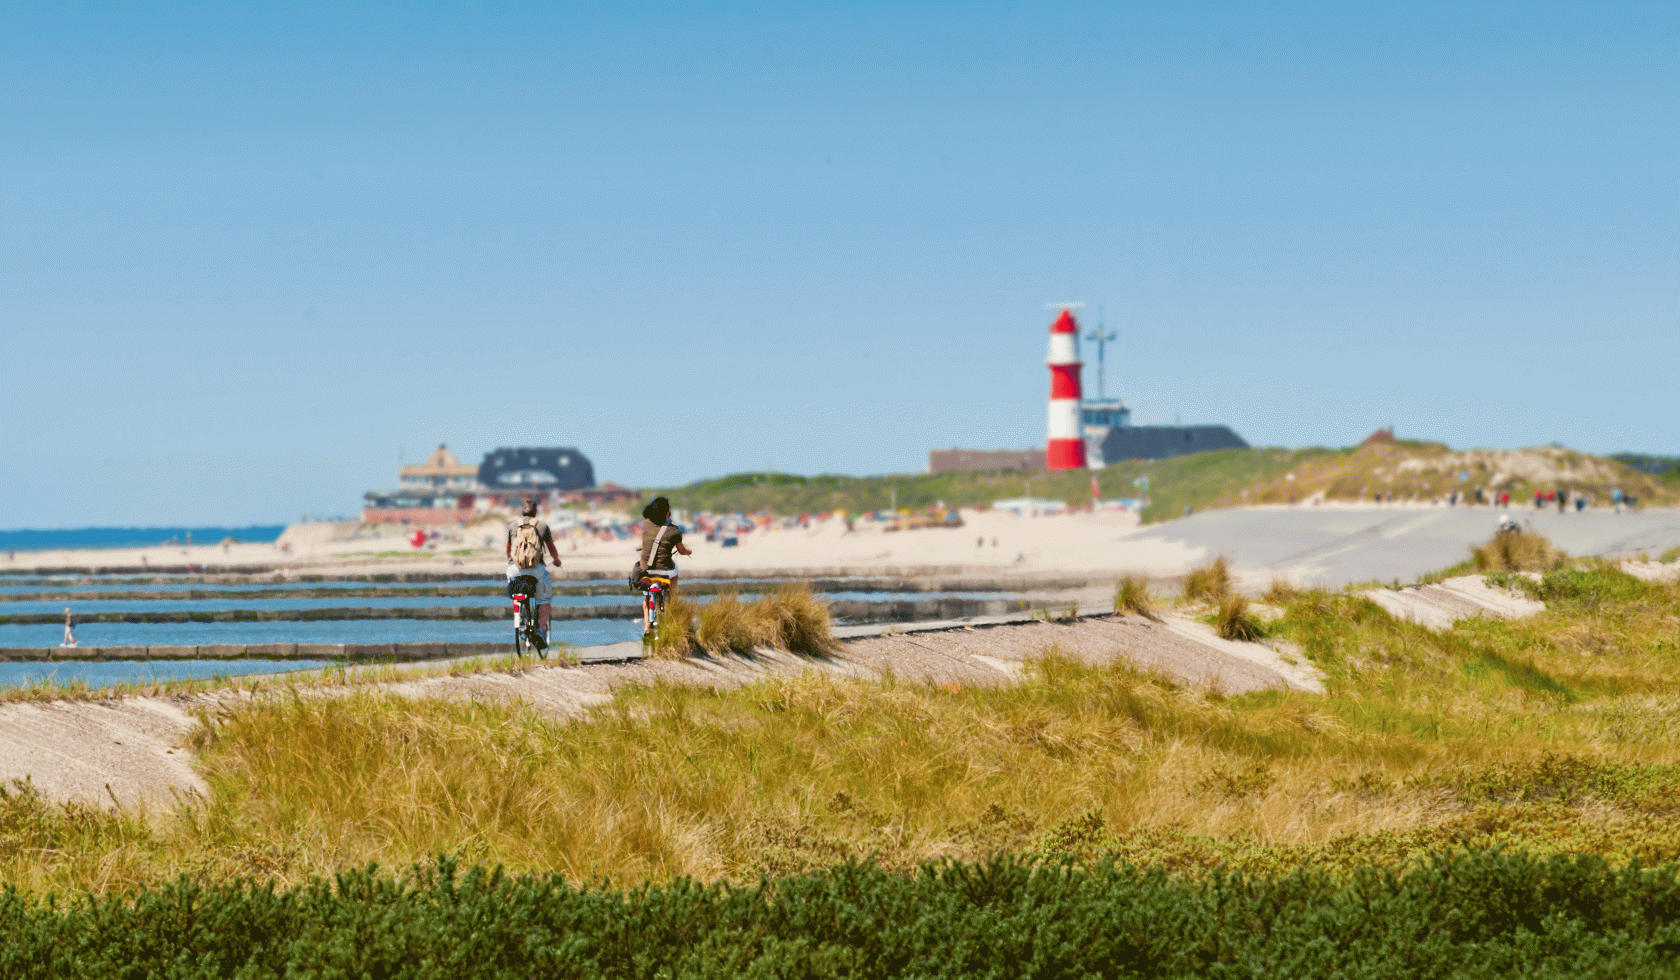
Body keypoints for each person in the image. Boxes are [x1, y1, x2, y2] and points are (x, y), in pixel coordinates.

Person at [506, 497, 562, 645]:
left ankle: (519, 613)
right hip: (536, 570)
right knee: (544, 600)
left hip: (515, 569)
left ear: (521, 511)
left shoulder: (512, 525)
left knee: (515, 590)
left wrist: (511, 562)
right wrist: (556, 560)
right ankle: (540, 630)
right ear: (535, 512)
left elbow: (508, 549)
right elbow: (551, 548)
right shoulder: (542, 525)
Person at [637, 496, 692, 636]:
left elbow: (646, 513)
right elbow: (681, 550)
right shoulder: (674, 531)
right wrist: (688, 551)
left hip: (647, 570)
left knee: (646, 599)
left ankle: (647, 628)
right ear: (666, 513)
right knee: (675, 574)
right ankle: (670, 599)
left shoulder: (646, 524)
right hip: (666, 572)